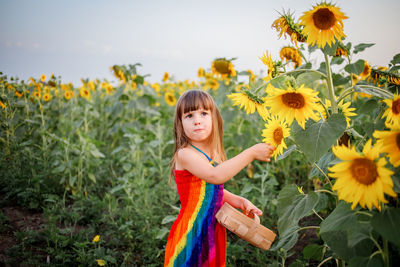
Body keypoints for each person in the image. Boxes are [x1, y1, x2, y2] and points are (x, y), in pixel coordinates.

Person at [164, 90, 275, 267]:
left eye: (203, 113)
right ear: (180, 124)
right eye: (189, 115)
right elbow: (215, 177)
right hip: (192, 232)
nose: (197, 120)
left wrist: (239, 201)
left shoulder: (211, 154)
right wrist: (251, 153)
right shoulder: (185, 154)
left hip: (211, 229)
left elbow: (207, 190)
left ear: (214, 118)